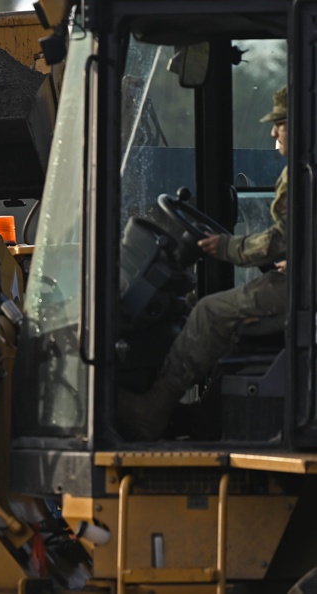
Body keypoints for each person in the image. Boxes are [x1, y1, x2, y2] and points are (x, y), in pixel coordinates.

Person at [118, 86, 289, 440]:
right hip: (301, 279)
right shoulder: (303, 170)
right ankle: (209, 414)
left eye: (281, 123)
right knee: (202, 305)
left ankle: (153, 410)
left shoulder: (305, 173)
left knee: (209, 313)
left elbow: (279, 240)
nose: (273, 131)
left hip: (301, 288)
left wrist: (226, 247)